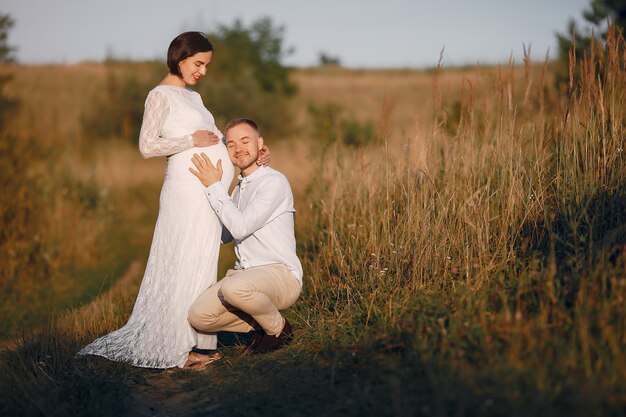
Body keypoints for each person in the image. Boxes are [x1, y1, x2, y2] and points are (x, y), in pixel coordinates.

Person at [79, 32, 268, 369]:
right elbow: (147, 146)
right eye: (199, 64)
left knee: (201, 261)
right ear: (180, 57)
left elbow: (216, 138)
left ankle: (200, 341)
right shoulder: (159, 96)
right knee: (182, 259)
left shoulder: (194, 98)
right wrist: (188, 139)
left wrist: (248, 151)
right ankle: (179, 343)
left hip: (208, 192)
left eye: (207, 66)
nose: (203, 71)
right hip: (184, 192)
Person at [187, 118, 302, 353]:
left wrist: (213, 186)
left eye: (245, 140)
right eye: (231, 144)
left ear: (260, 143)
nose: (238, 148)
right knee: (199, 315)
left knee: (233, 289)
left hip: (280, 275)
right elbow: (227, 235)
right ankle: (260, 325)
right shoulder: (239, 189)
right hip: (247, 277)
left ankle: (279, 329)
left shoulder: (274, 182)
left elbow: (240, 227)